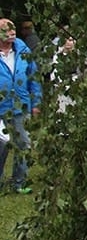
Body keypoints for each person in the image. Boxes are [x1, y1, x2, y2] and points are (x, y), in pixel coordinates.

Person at [0, 17, 42, 193]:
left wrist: (36, 102)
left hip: (20, 106)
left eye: (13, 29)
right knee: (2, 144)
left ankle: (19, 182)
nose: (12, 33)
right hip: (1, 108)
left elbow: (34, 77)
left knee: (23, 144)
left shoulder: (23, 49)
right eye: (7, 30)